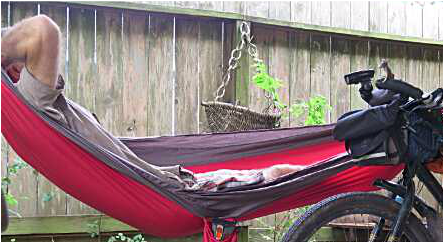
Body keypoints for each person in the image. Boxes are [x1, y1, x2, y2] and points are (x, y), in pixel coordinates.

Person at [1, 15, 302, 191]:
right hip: (172, 187)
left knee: (284, 172)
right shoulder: (34, 101)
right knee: (277, 174)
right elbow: (44, 29)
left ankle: (333, 173)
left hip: (160, 178)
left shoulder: (36, 105)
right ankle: (336, 173)